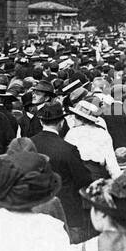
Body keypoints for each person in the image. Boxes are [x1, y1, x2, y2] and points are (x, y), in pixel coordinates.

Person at [30, 101, 95, 242]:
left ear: (41, 122)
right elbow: (83, 179)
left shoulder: (28, 144)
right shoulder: (68, 149)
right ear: (61, 122)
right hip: (66, 210)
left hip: (33, 208)